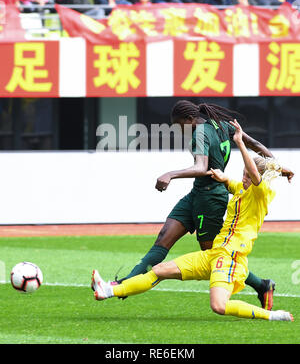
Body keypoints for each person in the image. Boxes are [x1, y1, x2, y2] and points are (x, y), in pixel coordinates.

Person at [91, 120, 294, 323]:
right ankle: (107, 290)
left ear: (258, 177)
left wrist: (240, 143)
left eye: (247, 176)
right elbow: (232, 183)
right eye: (243, 175)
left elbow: (255, 174)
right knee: (159, 271)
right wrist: (221, 177)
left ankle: (273, 316)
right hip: (215, 254)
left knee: (218, 306)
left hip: (231, 258)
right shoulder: (243, 189)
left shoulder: (262, 193)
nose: (244, 179)